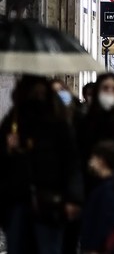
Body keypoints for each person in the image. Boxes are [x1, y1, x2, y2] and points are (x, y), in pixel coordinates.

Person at [0, 76, 83, 254]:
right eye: (33, 93)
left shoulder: (58, 124)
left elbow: (71, 161)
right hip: (17, 198)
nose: (37, 97)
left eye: (41, 93)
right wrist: (8, 149)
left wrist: (73, 198)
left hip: (50, 199)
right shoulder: (13, 121)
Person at [80, 141, 114, 254]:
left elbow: (103, 222)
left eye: (93, 157)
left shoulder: (107, 191)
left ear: (101, 160)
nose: (90, 161)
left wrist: (94, 247)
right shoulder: (112, 187)